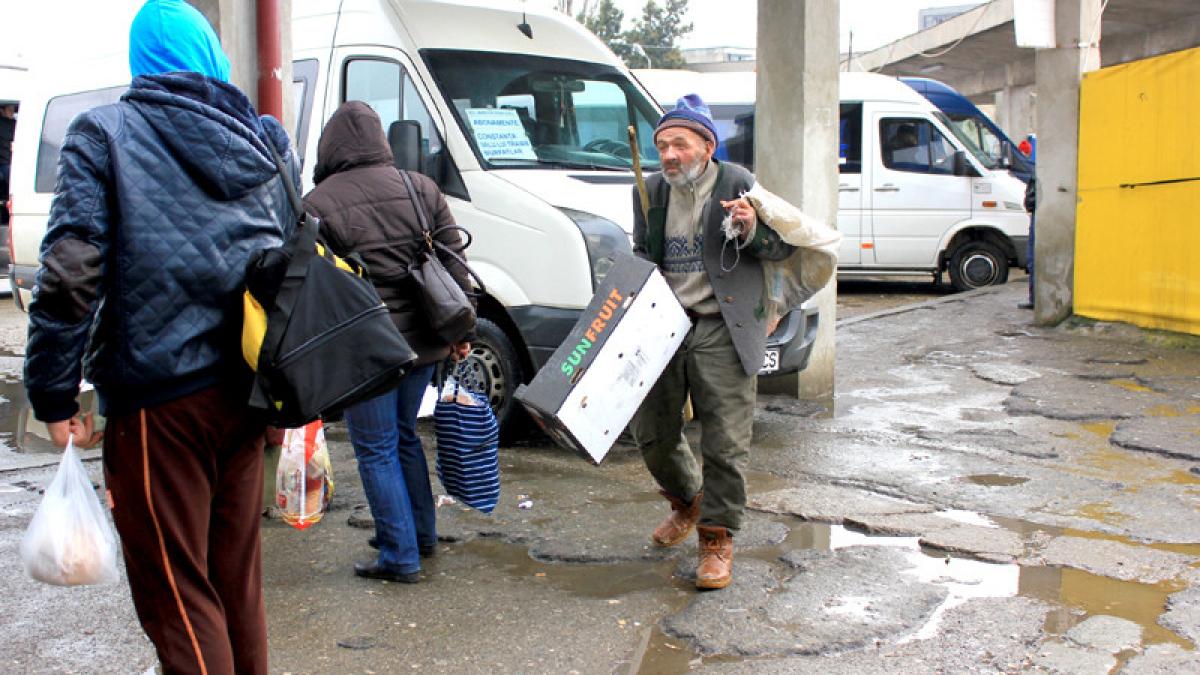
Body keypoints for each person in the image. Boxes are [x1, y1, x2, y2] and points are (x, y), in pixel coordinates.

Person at [22, 1, 295, 672]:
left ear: (142, 63)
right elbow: (293, 264)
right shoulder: (266, 140)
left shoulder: (105, 134)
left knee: (176, 593)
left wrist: (53, 391)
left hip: (159, 402)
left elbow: (71, 270)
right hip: (252, 392)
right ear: (211, 56)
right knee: (234, 586)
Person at [302, 101, 475, 584]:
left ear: (331, 146)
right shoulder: (419, 186)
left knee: (376, 448)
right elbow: (454, 266)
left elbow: (315, 285)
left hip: (365, 351)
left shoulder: (318, 202)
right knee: (403, 438)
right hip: (422, 343)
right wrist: (461, 334)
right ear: (380, 139)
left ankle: (400, 556)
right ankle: (419, 533)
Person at [630, 94, 794, 590]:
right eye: (662, 146)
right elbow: (642, 250)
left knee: (724, 441)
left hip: (721, 322)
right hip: (667, 322)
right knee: (651, 430)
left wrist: (749, 230)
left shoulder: (737, 181)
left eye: (679, 143)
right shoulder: (651, 189)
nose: (669, 155)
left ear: (707, 144)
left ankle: (716, 538)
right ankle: (688, 499)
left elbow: (781, 245)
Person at [0, 103, 15, 225]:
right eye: (10, 110)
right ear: (2, 110)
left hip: (10, 162)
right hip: (5, 163)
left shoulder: (14, 124)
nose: (12, 113)